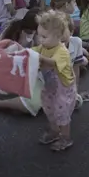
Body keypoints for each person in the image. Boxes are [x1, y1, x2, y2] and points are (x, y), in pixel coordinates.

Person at [34, 11, 77, 152]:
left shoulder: (62, 51)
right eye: (39, 35)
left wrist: (38, 58)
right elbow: (31, 51)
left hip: (64, 89)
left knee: (62, 111)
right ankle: (54, 131)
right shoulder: (43, 47)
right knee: (49, 108)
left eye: (44, 36)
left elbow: (52, 63)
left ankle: (65, 136)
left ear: (58, 36)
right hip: (50, 87)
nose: (40, 39)